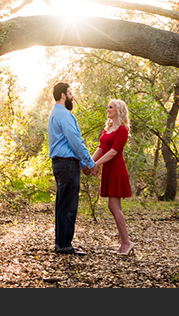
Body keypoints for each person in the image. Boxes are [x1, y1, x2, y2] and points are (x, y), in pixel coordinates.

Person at [47, 82, 95, 255]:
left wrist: (82, 164)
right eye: (70, 92)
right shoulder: (64, 115)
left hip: (60, 163)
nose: (72, 95)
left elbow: (67, 143)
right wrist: (89, 163)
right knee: (68, 205)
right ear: (63, 95)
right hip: (67, 164)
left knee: (62, 204)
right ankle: (65, 245)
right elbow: (74, 141)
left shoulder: (54, 113)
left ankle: (61, 243)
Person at [92, 98, 133, 255]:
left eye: (111, 107)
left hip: (116, 170)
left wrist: (96, 165)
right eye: (108, 107)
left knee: (113, 207)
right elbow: (101, 148)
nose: (107, 109)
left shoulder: (122, 130)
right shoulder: (107, 128)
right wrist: (90, 162)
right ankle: (124, 243)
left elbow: (113, 152)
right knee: (116, 208)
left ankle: (127, 242)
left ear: (118, 111)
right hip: (108, 169)